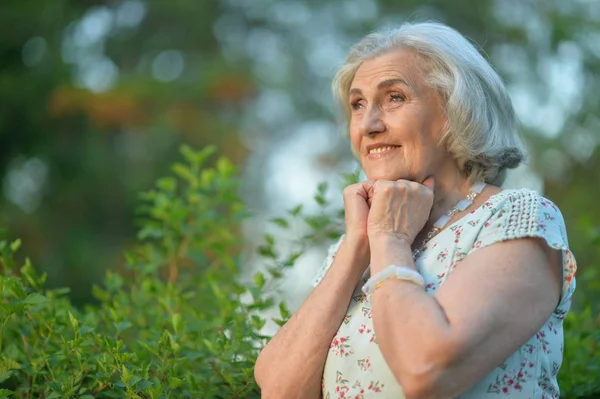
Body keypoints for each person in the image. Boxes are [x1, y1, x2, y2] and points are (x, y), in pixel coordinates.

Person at [254, 21, 577, 399]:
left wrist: (389, 239)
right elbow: (278, 390)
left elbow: (426, 371)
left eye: (394, 97)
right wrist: (358, 244)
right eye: (358, 104)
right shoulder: (361, 244)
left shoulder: (516, 219)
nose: (369, 125)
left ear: (457, 111)